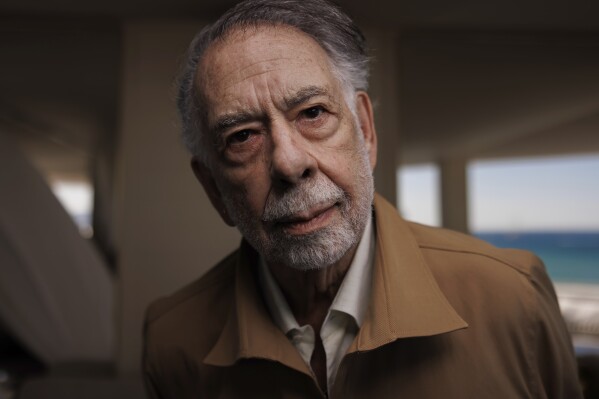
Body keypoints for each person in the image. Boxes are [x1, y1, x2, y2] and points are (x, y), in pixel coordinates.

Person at [142, 0, 582, 398]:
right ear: (214, 189)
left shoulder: (513, 297)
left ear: (366, 131)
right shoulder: (172, 342)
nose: (290, 164)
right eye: (242, 137)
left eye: (313, 113)